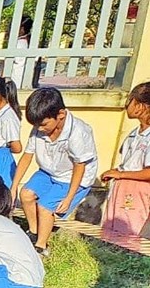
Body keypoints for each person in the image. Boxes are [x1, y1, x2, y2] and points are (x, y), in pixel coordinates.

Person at [9, 87, 98, 256]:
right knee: (26, 195)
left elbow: (80, 166)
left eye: (43, 125)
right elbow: (27, 156)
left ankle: (41, 246)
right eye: (36, 125)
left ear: (61, 115)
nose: (39, 129)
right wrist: (14, 187)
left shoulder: (78, 132)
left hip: (72, 177)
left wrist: (69, 197)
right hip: (49, 171)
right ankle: (34, 232)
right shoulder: (39, 127)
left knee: (45, 207)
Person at [100, 83, 150, 247]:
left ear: (140, 106)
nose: (126, 106)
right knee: (112, 227)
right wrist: (115, 172)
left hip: (138, 191)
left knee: (130, 230)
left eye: (130, 101)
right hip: (122, 187)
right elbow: (129, 164)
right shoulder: (134, 134)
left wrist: (121, 174)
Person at [7, 17, 33, 90]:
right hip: (21, 78)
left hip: (16, 79)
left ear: (22, 29)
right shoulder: (26, 42)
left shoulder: (20, 44)